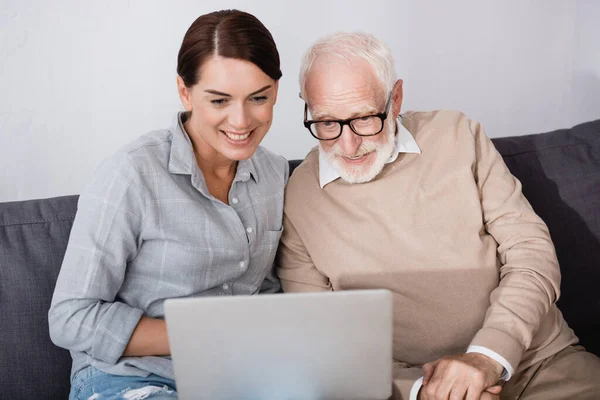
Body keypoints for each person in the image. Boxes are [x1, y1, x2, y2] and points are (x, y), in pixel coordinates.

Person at [276, 32, 600, 400]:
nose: (348, 145)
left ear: (395, 99)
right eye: (326, 123)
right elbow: (324, 339)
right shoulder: (297, 197)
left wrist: (487, 357)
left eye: (365, 119)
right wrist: (420, 390)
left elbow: (532, 254)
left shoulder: (458, 134)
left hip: (538, 364)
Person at [49, 9, 287, 400]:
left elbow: (267, 294)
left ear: (275, 91)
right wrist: (204, 333)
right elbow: (70, 318)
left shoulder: (275, 174)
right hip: (130, 380)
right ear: (184, 92)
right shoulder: (131, 174)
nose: (241, 120)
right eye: (219, 100)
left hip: (240, 378)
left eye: (258, 98)